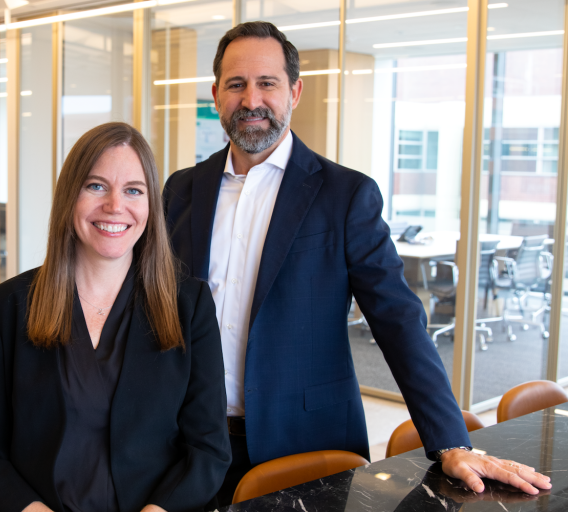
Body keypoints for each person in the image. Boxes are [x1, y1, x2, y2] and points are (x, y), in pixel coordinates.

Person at [162, 21, 552, 505]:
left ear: (295, 92)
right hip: (193, 440)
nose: (251, 99)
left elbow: (397, 319)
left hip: (305, 443)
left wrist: (451, 441)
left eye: (267, 83)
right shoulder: (181, 190)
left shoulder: (345, 194)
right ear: (216, 94)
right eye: (237, 84)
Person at [0, 122, 231, 512]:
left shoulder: (190, 305)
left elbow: (208, 449)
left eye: (133, 190)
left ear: (151, 206)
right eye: (96, 186)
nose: (115, 206)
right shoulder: (6, 308)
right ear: (71, 196)